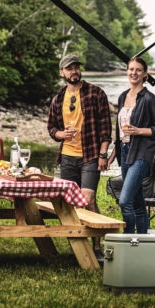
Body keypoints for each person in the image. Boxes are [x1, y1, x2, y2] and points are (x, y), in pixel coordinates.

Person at [47, 54, 112, 252]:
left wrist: (103, 155)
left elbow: (105, 127)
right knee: (71, 203)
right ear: (62, 72)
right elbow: (51, 128)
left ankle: (97, 246)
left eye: (76, 67)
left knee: (88, 199)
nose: (73, 71)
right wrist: (61, 134)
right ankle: (79, 246)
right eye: (69, 68)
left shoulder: (95, 93)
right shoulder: (58, 98)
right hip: (67, 156)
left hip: (90, 155)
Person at [113, 57, 155, 233]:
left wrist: (139, 131)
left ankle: (128, 239)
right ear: (127, 71)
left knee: (124, 201)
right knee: (137, 201)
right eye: (130, 69)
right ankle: (143, 240)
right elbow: (119, 131)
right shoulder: (122, 96)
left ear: (144, 74)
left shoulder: (150, 99)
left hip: (142, 154)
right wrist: (112, 154)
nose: (133, 73)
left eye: (138, 70)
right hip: (124, 152)